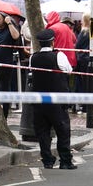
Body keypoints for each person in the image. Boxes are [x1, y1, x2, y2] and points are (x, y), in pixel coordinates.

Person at [29, 29, 77, 170]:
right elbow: (68, 70)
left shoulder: (33, 57)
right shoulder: (59, 55)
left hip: (39, 101)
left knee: (42, 132)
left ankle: (47, 160)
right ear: (52, 41)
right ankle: (65, 161)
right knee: (62, 131)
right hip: (57, 100)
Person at [0, 12, 20, 118]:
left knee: (4, 89)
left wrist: (9, 23)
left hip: (6, 65)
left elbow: (16, 36)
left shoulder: (9, 30)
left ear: (4, 19)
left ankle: (5, 115)